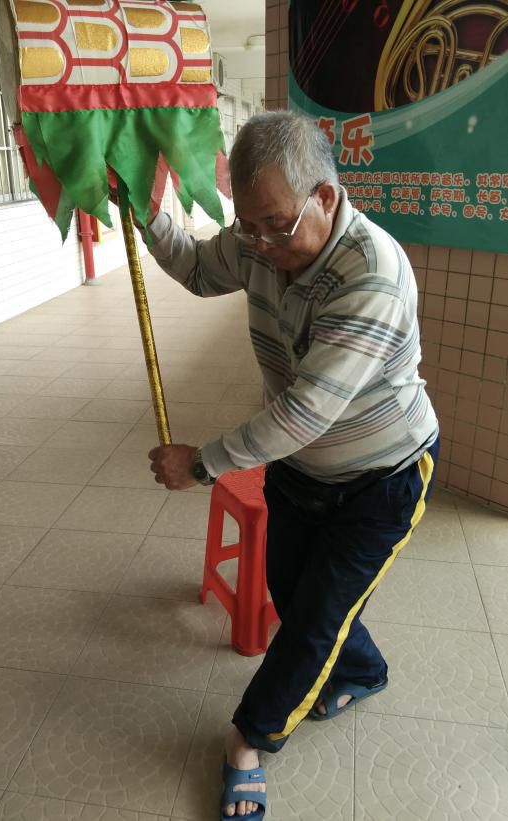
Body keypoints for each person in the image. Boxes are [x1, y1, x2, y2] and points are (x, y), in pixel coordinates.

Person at [146, 111, 439, 820]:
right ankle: (364, 670)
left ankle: (247, 742)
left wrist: (203, 465)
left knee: (309, 620)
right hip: (298, 471)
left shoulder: (370, 272)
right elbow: (196, 268)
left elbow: (305, 413)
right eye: (246, 225)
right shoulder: (260, 240)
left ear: (325, 198)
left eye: (274, 224)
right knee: (295, 590)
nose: (257, 244)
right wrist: (148, 213)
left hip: (383, 478)